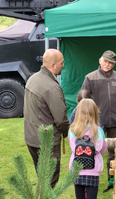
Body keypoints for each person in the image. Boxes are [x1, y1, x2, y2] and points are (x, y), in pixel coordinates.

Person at [81, 50, 116, 182]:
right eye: (105, 61)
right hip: (96, 123)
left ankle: (113, 180)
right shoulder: (90, 78)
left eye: (111, 62)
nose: (107, 64)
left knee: (114, 152)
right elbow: (83, 101)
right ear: (100, 60)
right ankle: (90, 179)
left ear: (114, 64)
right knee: (91, 151)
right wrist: (86, 120)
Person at [24, 48, 69, 188]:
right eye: (61, 63)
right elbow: (61, 119)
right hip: (46, 140)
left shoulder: (32, 78)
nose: (63, 65)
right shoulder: (51, 87)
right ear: (53, 65)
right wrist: (66, 131)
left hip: (31, 137)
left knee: (43, 178)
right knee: (50, 179)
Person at [68, 98, 107, 199]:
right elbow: (102, 150)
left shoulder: (72, 130)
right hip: (93, 171)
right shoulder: (98, 131)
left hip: (77, 170)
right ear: (94, 112)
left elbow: (74, 149)